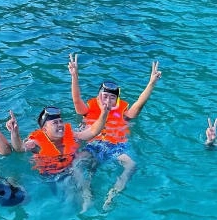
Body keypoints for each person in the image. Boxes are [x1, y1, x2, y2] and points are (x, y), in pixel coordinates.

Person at [68, 53, 162, 210]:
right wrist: (74, 76)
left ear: (117, 100)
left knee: (131, 165)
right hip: (93, 145)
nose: (107, 100)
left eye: (112, 98)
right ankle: (86, 192)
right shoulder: (88, 109)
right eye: (104, 96)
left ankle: (113, 194)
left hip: (116, 146)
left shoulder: (123, 113)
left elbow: (139, 103)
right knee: (75, 164)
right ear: (98, 96)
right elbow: (76, 99)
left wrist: (151, 83)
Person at [10, 103, 110, 210]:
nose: (60, 125)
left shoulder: (71, 135)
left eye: (60, 121)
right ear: (44, 129)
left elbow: (93, 132)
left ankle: (87, 196)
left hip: (72, 167)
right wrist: (14, 133)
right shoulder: (36, 143)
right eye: (55, 123)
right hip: (51, 175)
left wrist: (104, 113)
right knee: (70, 197)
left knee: (82, 161)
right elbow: (19, 148)